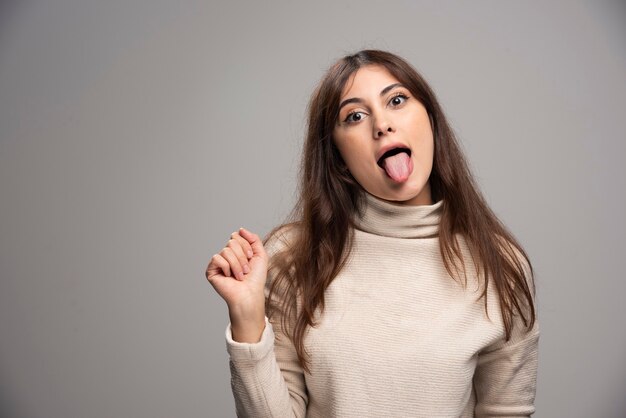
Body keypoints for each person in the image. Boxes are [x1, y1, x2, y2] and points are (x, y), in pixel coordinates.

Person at [205, 49, 539, 417]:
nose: (381, 125)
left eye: (397, 100)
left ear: (431, 119)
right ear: (337, 156)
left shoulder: (499, 265)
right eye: (355, 116)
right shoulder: (292, 257)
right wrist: (247, 317)